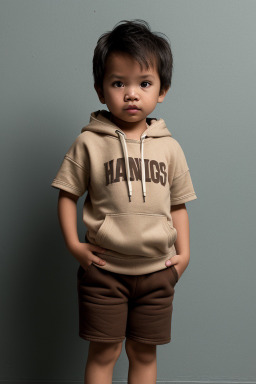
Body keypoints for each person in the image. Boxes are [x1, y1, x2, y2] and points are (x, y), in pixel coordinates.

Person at [51, 19, 197, 384]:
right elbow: (67, 194)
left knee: (143, 352)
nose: (131, 93)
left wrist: (184, 257)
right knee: (105, 351)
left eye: (144, 83)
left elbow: (178, 204)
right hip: (104, 271)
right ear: (101, 90)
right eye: (119, 83)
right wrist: (74, 246)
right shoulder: (88, 143)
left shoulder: (170, 147)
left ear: (162, 89)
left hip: (157, 271)